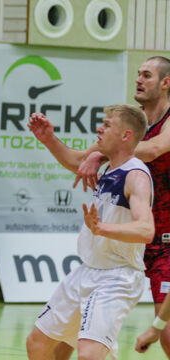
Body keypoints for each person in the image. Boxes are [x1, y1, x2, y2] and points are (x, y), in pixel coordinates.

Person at [25, 104, 155, 360]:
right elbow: (76, 161)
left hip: (117, 277)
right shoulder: (109, 165)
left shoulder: (135, 175)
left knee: (88, 355)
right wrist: (49, 139)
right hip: (87, 270)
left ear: (126, 135)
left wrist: (101, 228)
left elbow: (146, 229)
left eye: (107, 125)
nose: (99, 128)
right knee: (38, 343)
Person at [74, 56, 170, 357]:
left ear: (166, 83)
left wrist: (101, 154)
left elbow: (154, 149)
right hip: (130, 235)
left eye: (147, 75)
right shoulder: (131, 121)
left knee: (166, 330)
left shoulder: (161, 124)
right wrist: (49, 139)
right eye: (138, 74)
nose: (139, 79)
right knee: (65, 332)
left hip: (164, 236)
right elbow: (78, 161)